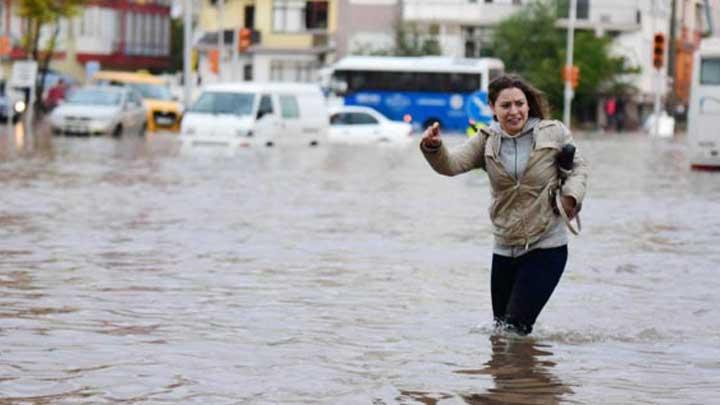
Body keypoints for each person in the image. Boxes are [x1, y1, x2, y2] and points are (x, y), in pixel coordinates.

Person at [419, 74, 589, 335]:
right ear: (492, 108)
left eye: (519, 104)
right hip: (504, 247)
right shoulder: (487, 139)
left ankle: (525, 372)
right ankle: (514, 374)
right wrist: (434, 147)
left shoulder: (553, 131)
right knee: (501, 332)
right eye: (506, 105)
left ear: (528, 105)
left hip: (547, 244)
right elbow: (451, 165)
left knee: (514, 329)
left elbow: (578, 167)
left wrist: (570, 198)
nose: (514, 111)